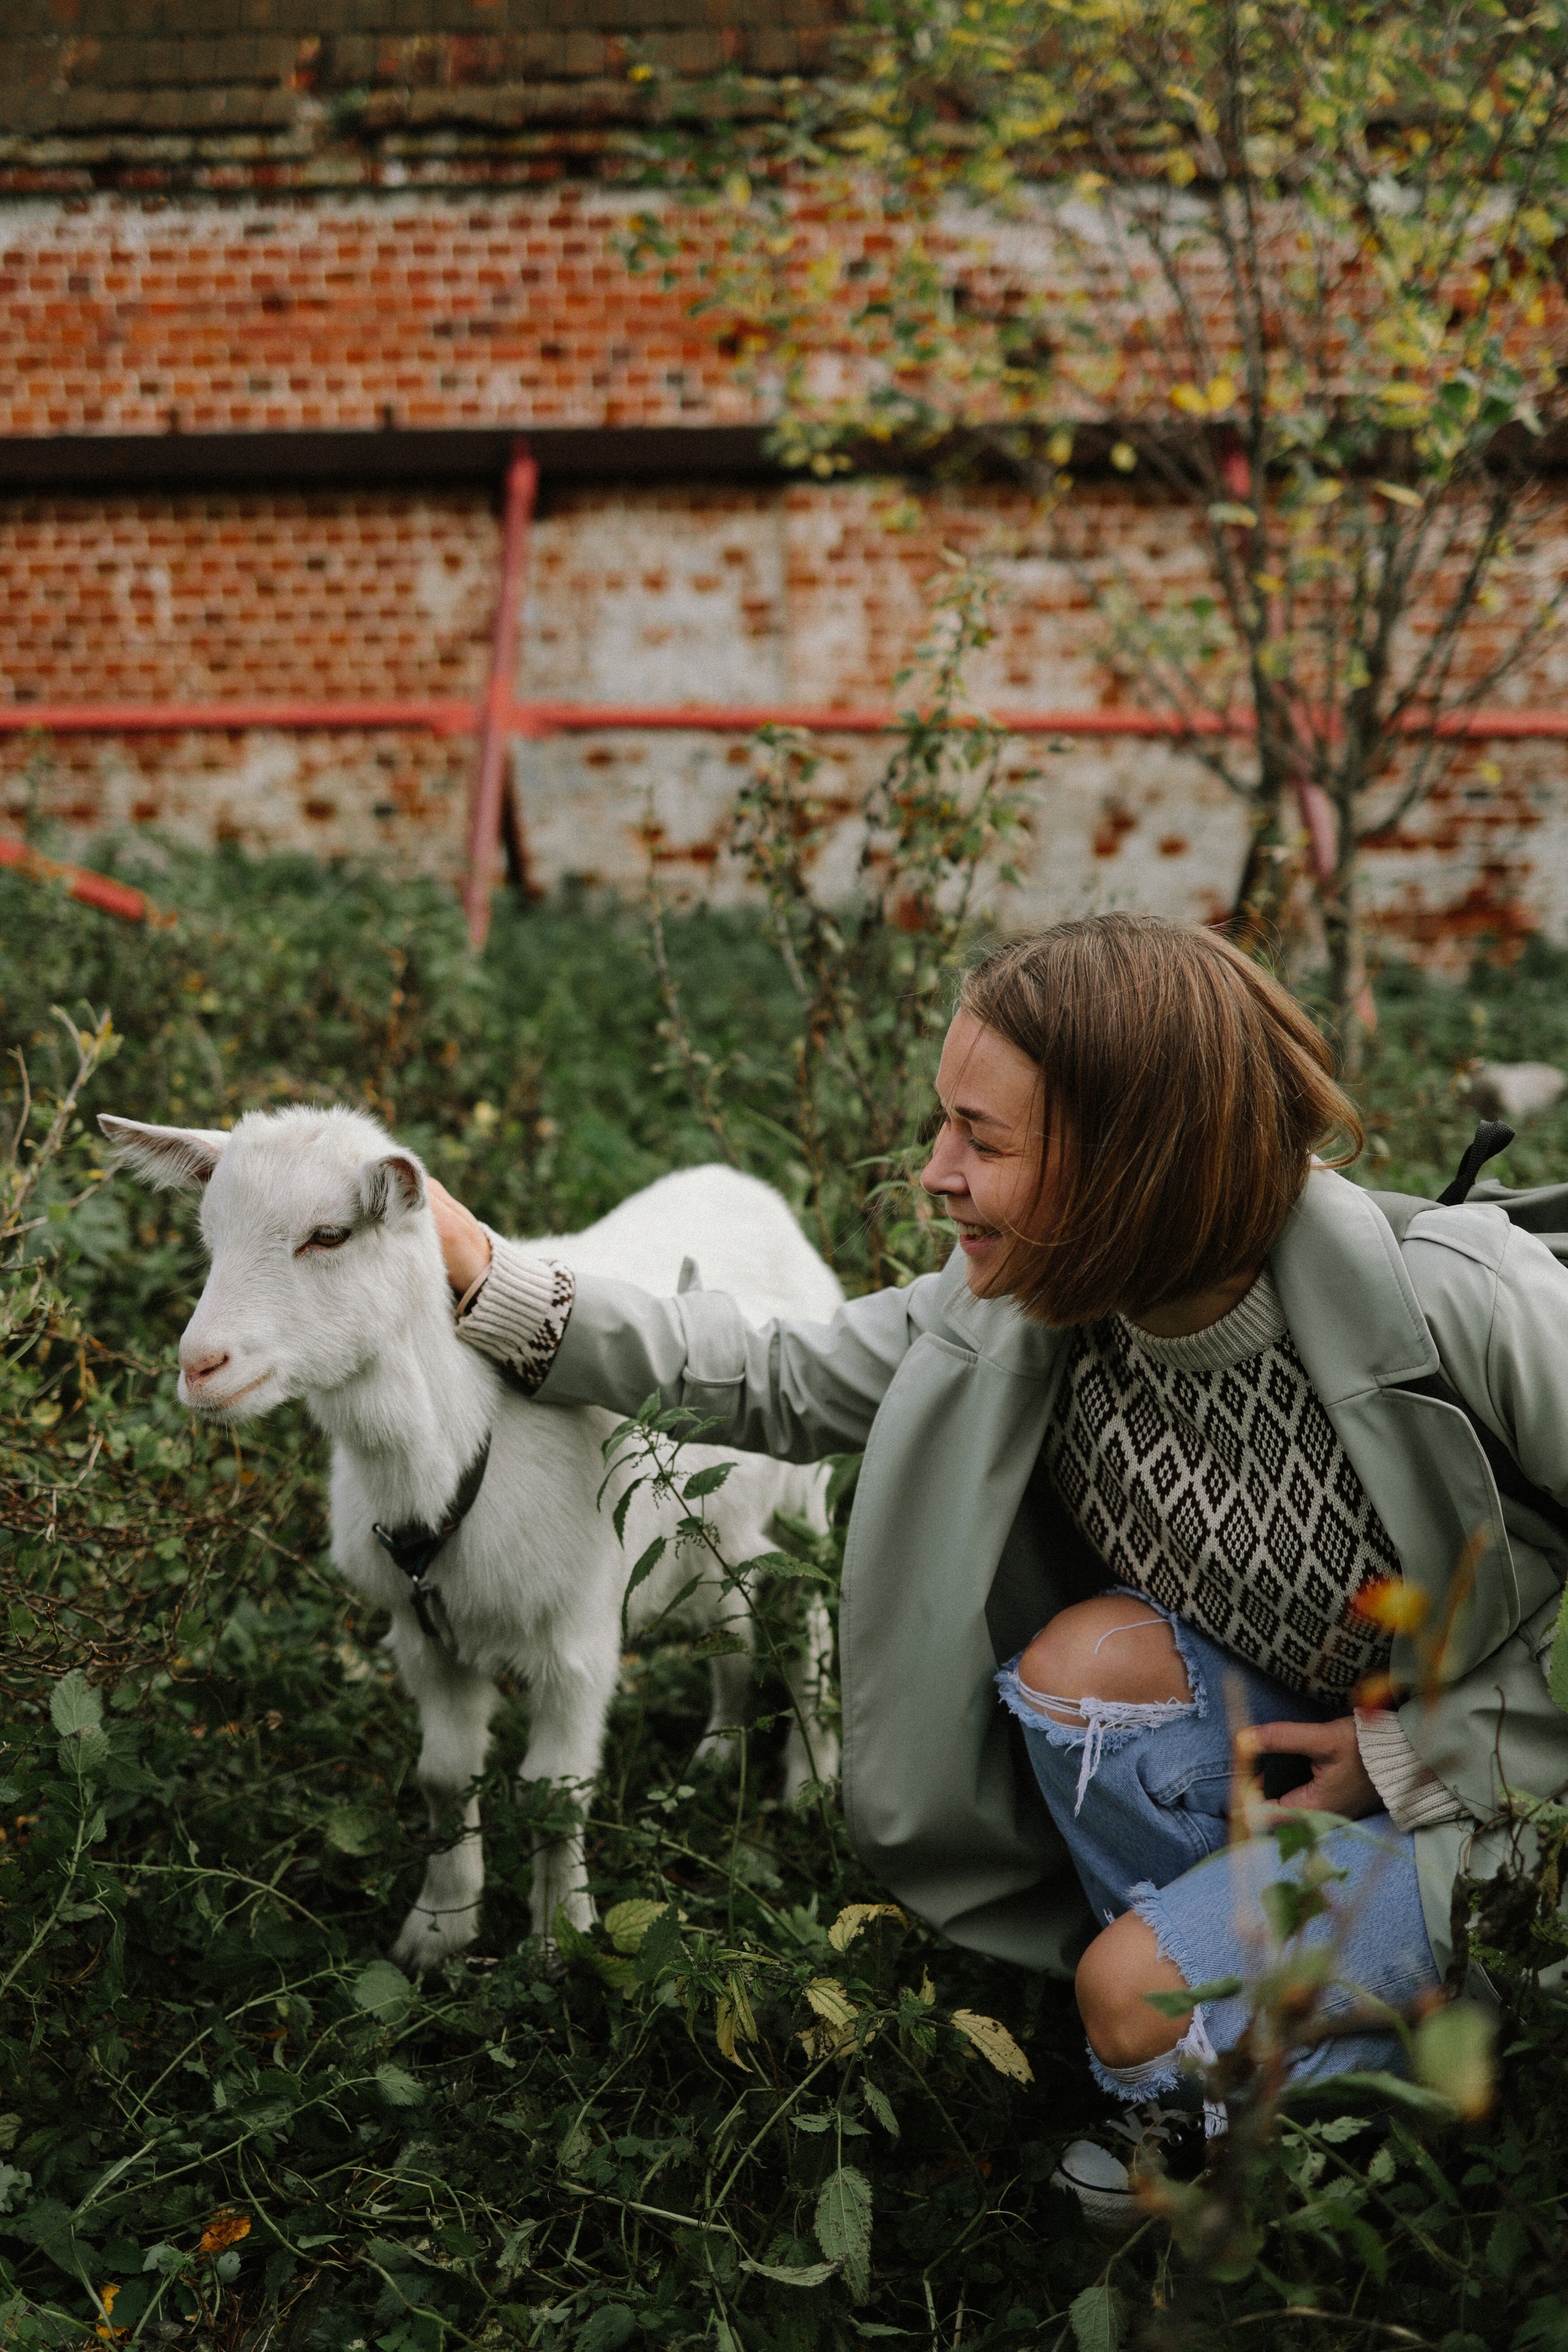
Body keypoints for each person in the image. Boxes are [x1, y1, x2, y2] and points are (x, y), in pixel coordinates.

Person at [428, 914, 1568, 2208]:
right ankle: (1253, 2004)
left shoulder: (1454, 1298)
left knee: (1122, 1997)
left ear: (1134, 1162)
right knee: (1080, 1667)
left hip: (1516, 1789)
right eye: (939, 1126)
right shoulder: (1035, 1309)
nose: (932, 1172)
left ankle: (1312, 2093)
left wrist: (1412, 1756)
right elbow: (767, 1372)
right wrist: (490, 1285)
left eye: (983, 1139)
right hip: (1307, 1745)